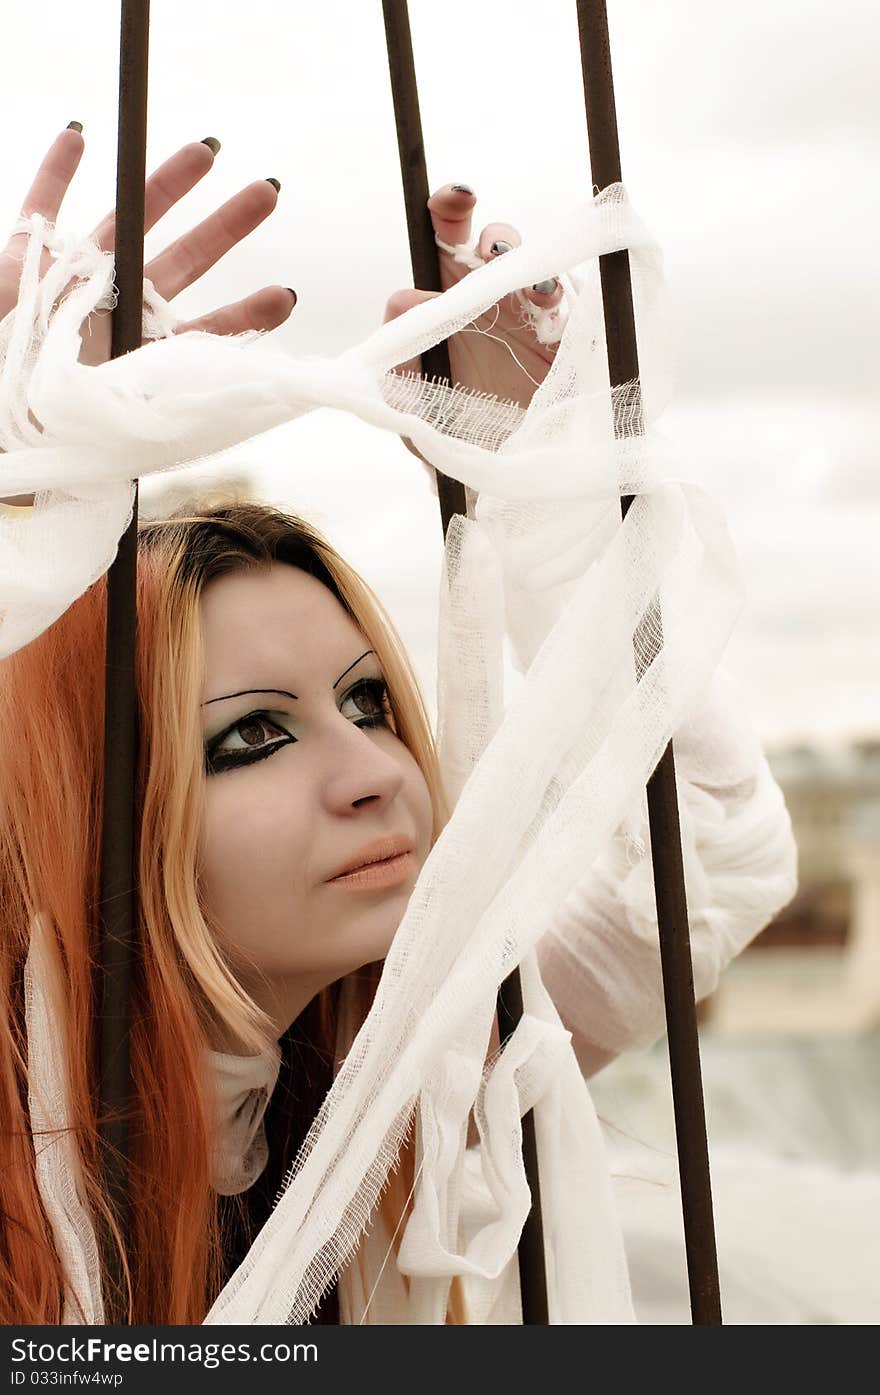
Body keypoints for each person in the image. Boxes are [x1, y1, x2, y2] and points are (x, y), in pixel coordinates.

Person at [0, 128, 797, 1325]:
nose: (375, 769)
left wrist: (563, 507)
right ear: (92, 804)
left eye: (368, 701)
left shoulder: (413, 1084)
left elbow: (699, 875)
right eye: (253, 736)